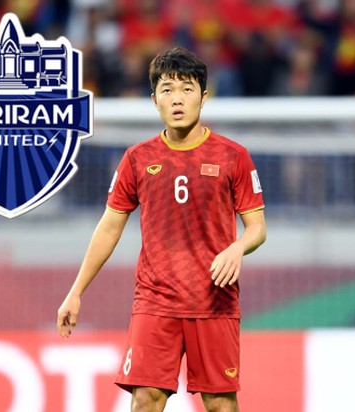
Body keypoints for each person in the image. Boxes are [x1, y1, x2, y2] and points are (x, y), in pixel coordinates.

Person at [57, 47, 266, 412]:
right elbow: (109, 228)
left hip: (214, 301)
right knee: (145, 400)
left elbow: (257, 228)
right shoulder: (138, 159)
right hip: (156, 301)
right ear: (154, 100)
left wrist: (237, 248)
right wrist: (76, 292)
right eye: (167, 89)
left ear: (204, 96)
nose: (177, 99)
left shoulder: (233, 156)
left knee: (221, 404)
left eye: (187, 89)